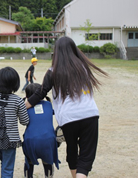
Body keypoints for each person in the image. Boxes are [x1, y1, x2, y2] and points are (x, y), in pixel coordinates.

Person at [25, 36, 108, 178]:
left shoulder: (52, 71)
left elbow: (41, 93)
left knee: (72, 151)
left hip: (68, 118)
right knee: (86, 156)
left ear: (56, 52)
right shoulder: (83, 67)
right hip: (90, 114)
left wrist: (23, 105)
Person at [0, 67, 29, 178]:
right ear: (16, 83)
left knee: (4, 163)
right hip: (10, 139)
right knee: (7, 168)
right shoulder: (18, 100)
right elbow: (24, 121)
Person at [22, 83, 59, 178]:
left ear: (27, 96)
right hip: (48, 140)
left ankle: (28, 175)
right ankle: (48, 175)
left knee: (29, 161)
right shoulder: (48, 105)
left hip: (31, 141)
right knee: (47, 161)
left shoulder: (24, 107)